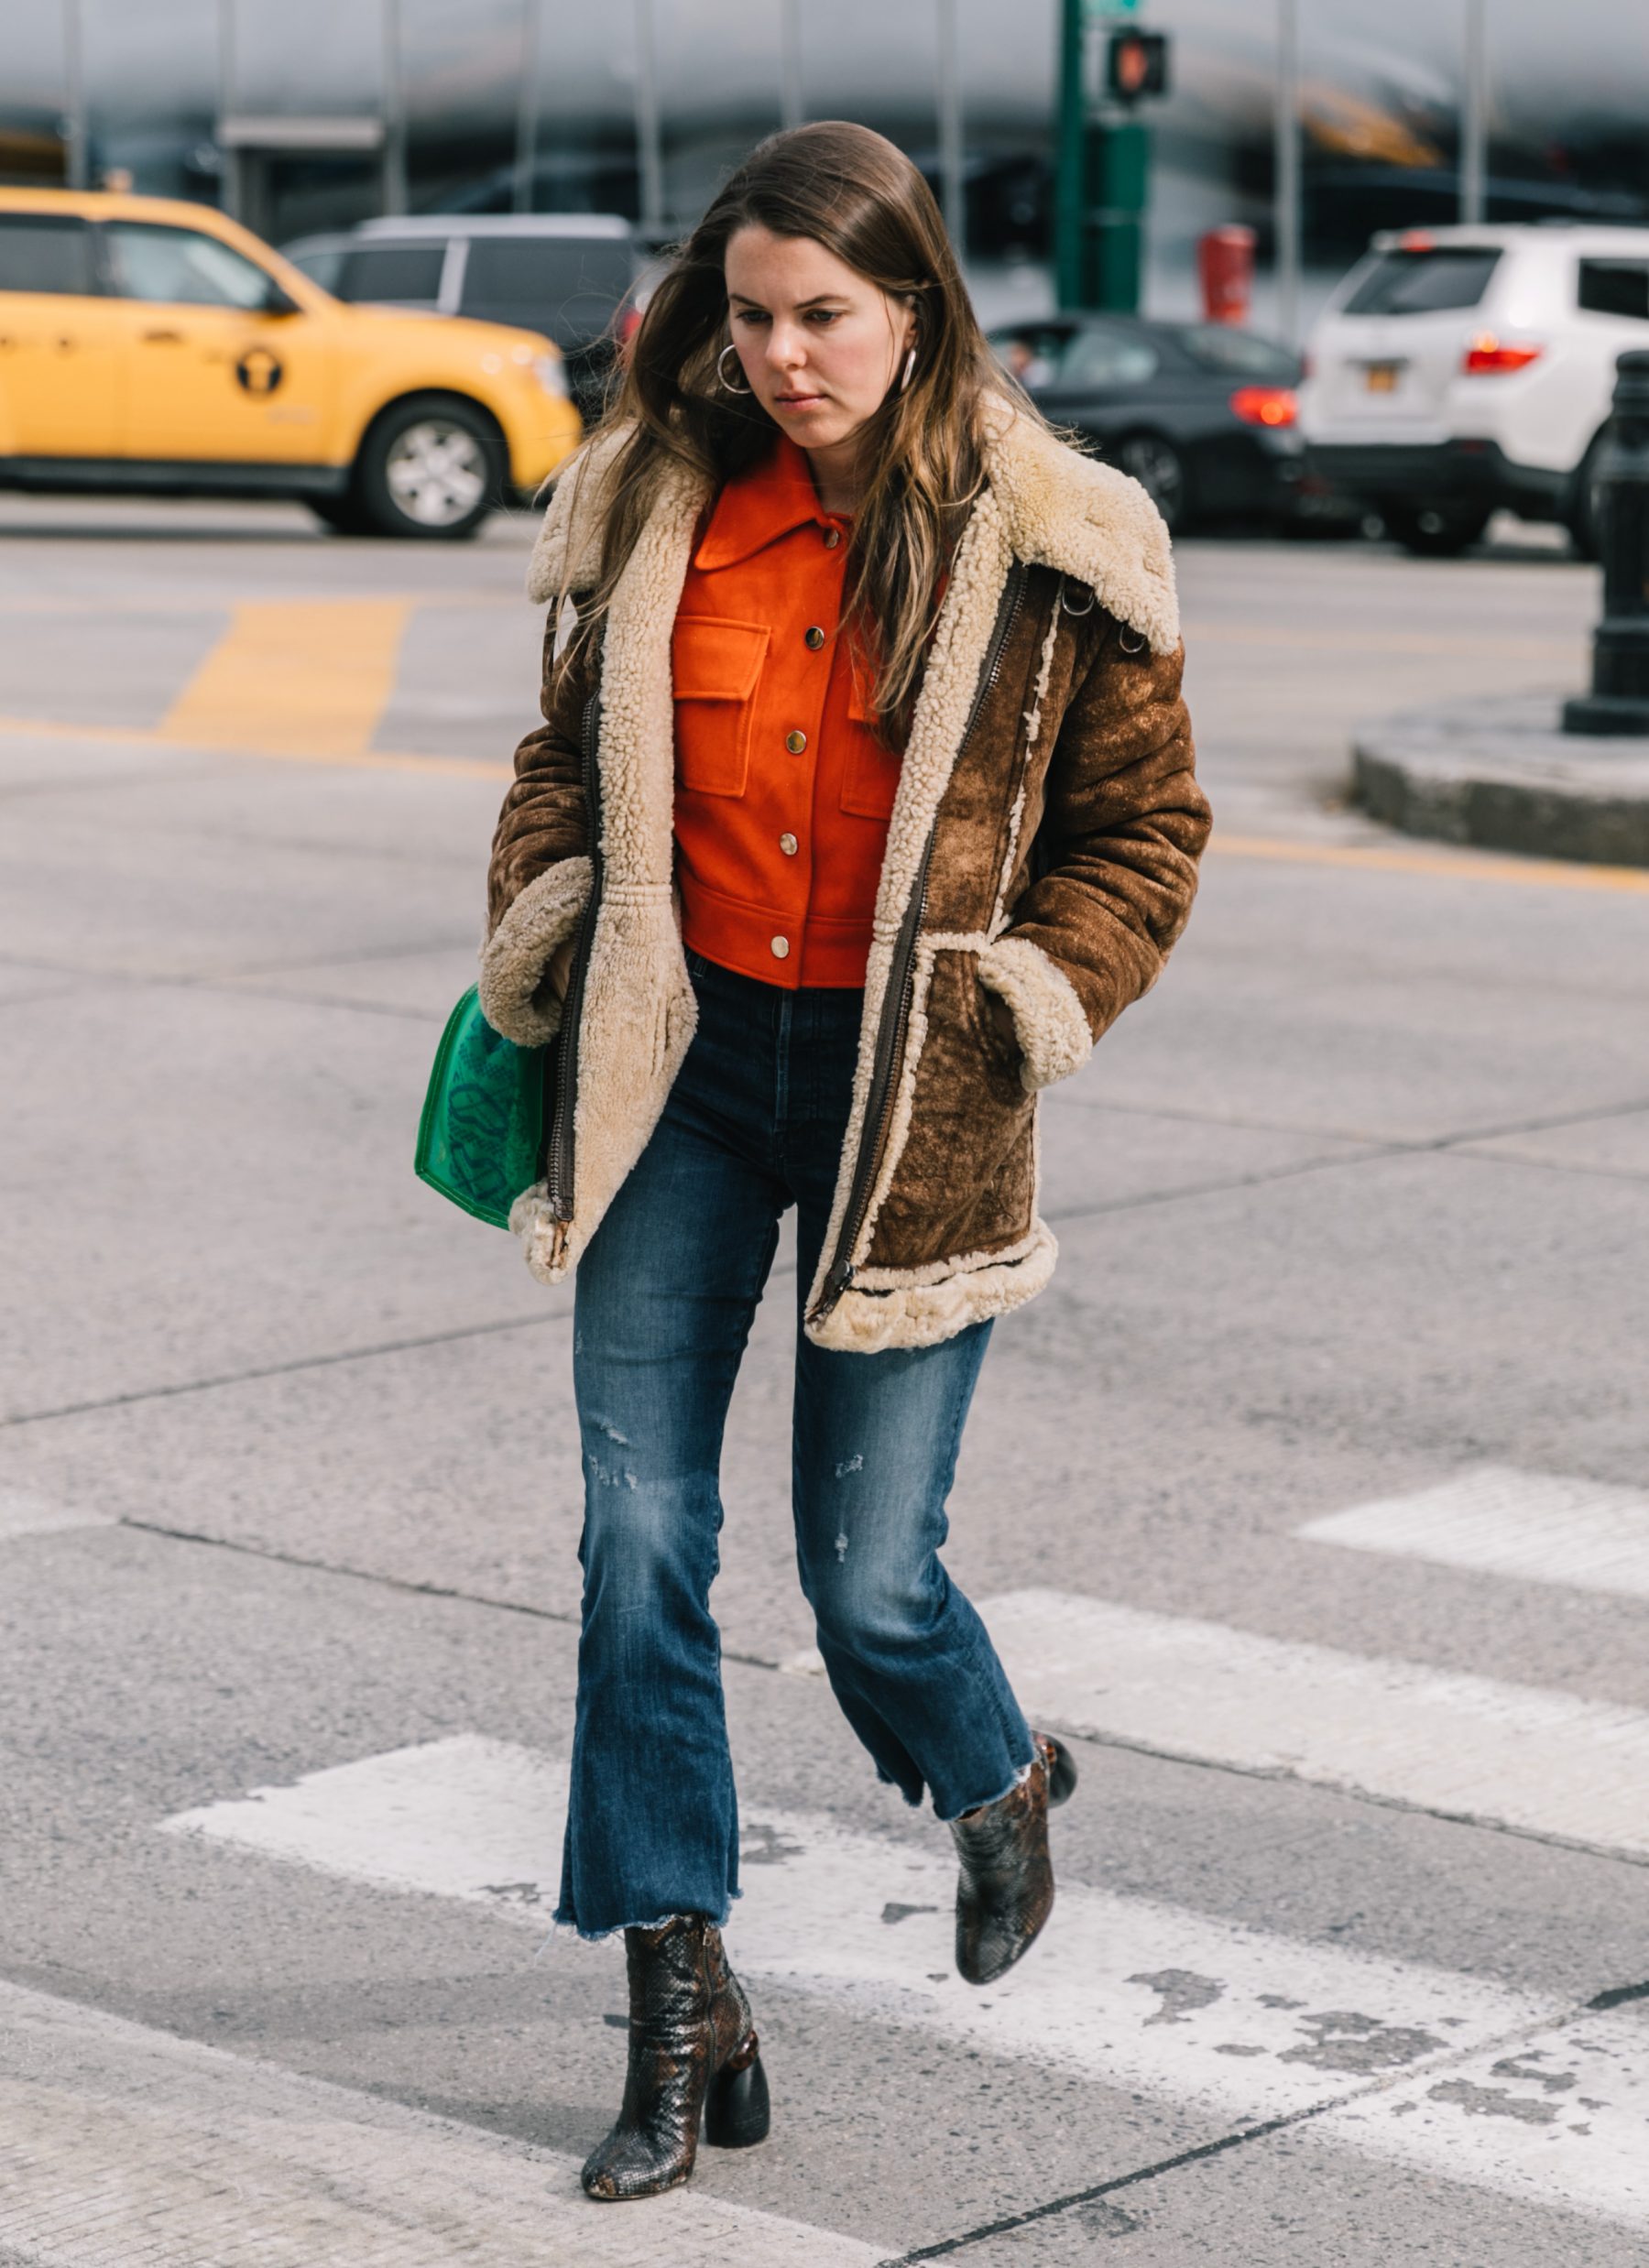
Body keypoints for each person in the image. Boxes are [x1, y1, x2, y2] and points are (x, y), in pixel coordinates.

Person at [478, 120, 1210, 2203]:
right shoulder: (647, 507)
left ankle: (997, 1773)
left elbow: (1143, 836)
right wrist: (543, 911)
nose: (790, 356)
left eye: (830, 317)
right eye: (756, 314)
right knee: (639, 1544)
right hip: (681, 1075)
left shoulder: (1061, 538)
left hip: (916, 1101)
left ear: (915, 311)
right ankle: (677, 1996)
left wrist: (1029, 999)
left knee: (872, 1588)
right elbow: (559, 769)